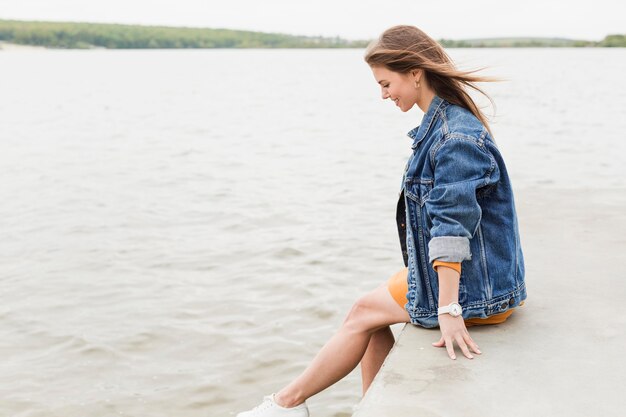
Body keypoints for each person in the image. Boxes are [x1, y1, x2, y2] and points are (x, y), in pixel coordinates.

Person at [235, 24, 527, 417]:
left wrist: (449, 311)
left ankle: (286, 404)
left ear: (415, 73)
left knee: (362, 314)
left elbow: (451, 230)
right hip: (479, 278)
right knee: (366, 316)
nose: (384, 94)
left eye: (386, 83)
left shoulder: (454, 138)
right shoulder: (444, 125)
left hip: (477, 292)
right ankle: (349, 406)